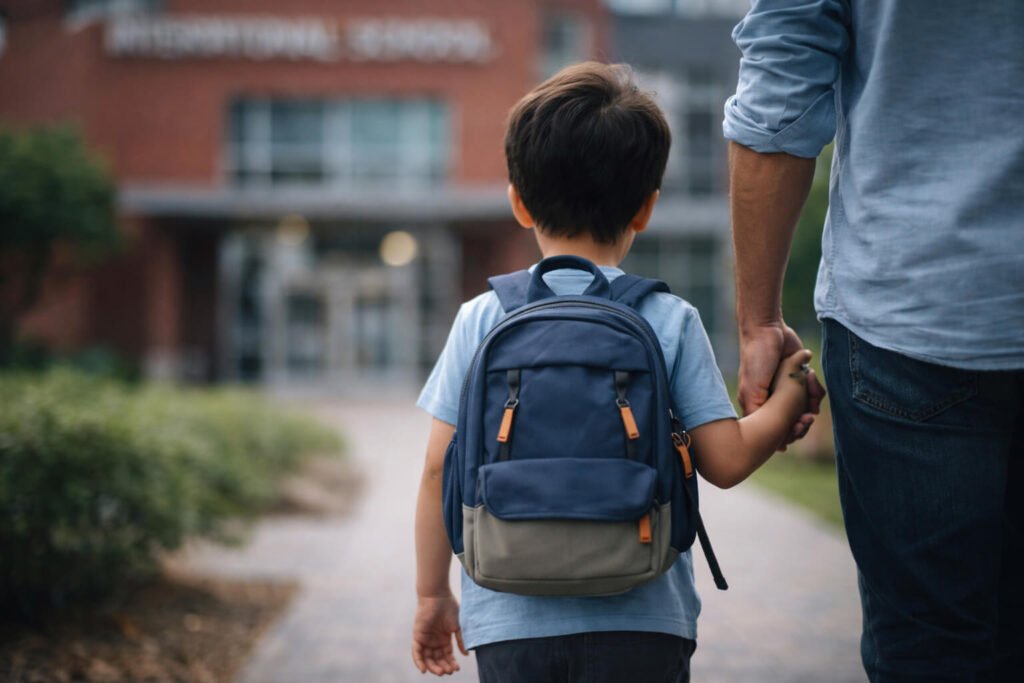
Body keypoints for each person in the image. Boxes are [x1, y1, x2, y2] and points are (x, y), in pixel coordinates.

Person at [411, 61, 812, 683]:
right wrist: (787, 400)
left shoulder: (481, 317)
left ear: (518, 202)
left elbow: (439, 467)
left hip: (510, 624)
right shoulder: (667, 317)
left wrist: (433, 596)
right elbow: (726, 462)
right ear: (646, 208)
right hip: (645, 618)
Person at [723, 1, 1024, 681]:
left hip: (914, 309)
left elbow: (780, 86)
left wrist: (759, 322)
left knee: (931, 650)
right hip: (911, 319)